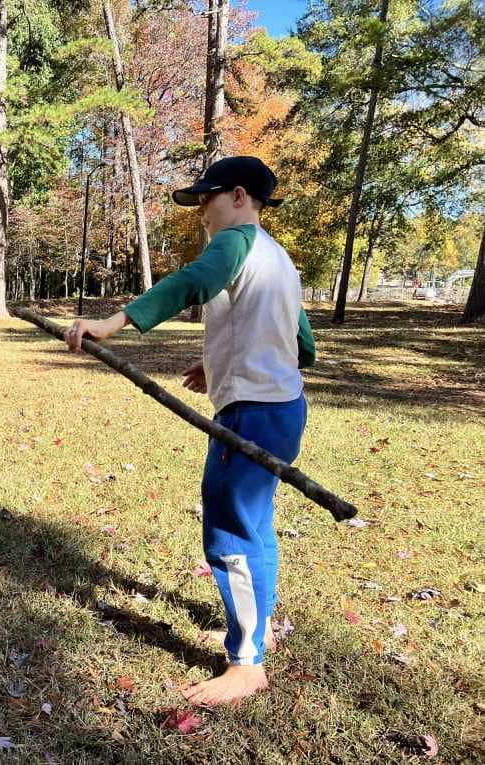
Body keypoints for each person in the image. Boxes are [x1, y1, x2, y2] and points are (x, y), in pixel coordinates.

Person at [64, 157, 316, 705]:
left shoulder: (234, 240)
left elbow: (194, 281)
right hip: (283, 408)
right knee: (255, 525)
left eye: (208, 198)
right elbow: (302, 342)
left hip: (249, 415)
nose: (201, 211)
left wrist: (112, 323)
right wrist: (222, 362)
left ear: (241, 197)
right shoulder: (278, 258)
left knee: (231, 533)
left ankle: (246, 665)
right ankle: (257, 628)